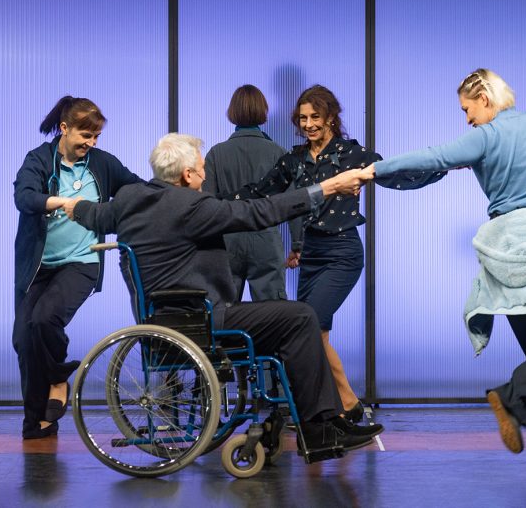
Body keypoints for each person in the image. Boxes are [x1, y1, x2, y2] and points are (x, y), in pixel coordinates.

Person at [61, 132, 384, 458]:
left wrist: (72, 205)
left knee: (288, 321)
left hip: (164, 322)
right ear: (187, 174)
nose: (205, 177)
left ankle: (324, 422)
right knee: (300, 316)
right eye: (202, 170)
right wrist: (328, 187)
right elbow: (261, 212)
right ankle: (319, 430)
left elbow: (95, 214)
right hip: (201, 324)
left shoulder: (129, 199)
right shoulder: (190, 206)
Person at [364, 68, 526, 465]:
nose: (467, 119)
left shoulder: (483, 138)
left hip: (508, 255)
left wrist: (375, 170)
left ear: (484, 99)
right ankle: (515, 403)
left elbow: (434, 157)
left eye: (466, 110)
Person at [231, 84, 441, 421]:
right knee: (311, 334)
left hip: (343, 251)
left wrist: (442, 166)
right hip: (311, 254)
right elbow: (261, 192)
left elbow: (394, 174)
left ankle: (346, 401)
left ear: (331, 117)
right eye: (303, 118)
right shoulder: (294, 159)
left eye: (315, 117)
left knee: (310, 326)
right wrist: (216, 203)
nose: (308, 124)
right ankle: (336, 407)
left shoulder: (351, 154)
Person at [12, 96, 142, 440]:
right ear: (64, 129)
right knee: (24, 339)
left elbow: (137, 189)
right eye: (86, 135)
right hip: (37, 268)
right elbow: (24, 197)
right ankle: (38, 421)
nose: (91, 143)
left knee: (44, 320)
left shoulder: (102, 163)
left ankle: (58, 378)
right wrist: (63, 202)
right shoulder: (39, 160)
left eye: (96, 136)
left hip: (82, 261)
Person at [202, 84, 295, 302]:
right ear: (263, 111)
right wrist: (298, 244)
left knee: (223, 310)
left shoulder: (215, 154)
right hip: (266, 238)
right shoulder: (278, 153)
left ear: (232, 112)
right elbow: (292, 202)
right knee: (272, 312)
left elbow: (206, 204)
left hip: (227, 240)